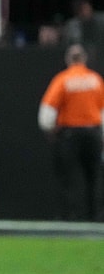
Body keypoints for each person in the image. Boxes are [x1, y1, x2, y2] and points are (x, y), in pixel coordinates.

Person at [38, 44, 104, 221]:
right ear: (84, 59)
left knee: (68, 178)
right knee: (94, 177)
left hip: (70, 135)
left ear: (68, 60)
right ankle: (96, 217)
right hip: (93, 134)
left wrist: (50, 129)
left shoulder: (63, 80)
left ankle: (70, 217)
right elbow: (103, 111)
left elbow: (47, 113)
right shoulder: (96, 79)